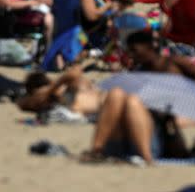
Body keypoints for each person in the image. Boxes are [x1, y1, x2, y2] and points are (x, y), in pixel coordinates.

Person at [19, 67, 170, 164]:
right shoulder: (47, 101)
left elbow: (75, 72)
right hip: (112, 116)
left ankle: (144, 156)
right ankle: (98, 150)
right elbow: (25, 104)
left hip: (116, 106)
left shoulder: (73, 87)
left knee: (122, 97)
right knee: (117, 96)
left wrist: (54, 87)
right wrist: (48, 94)